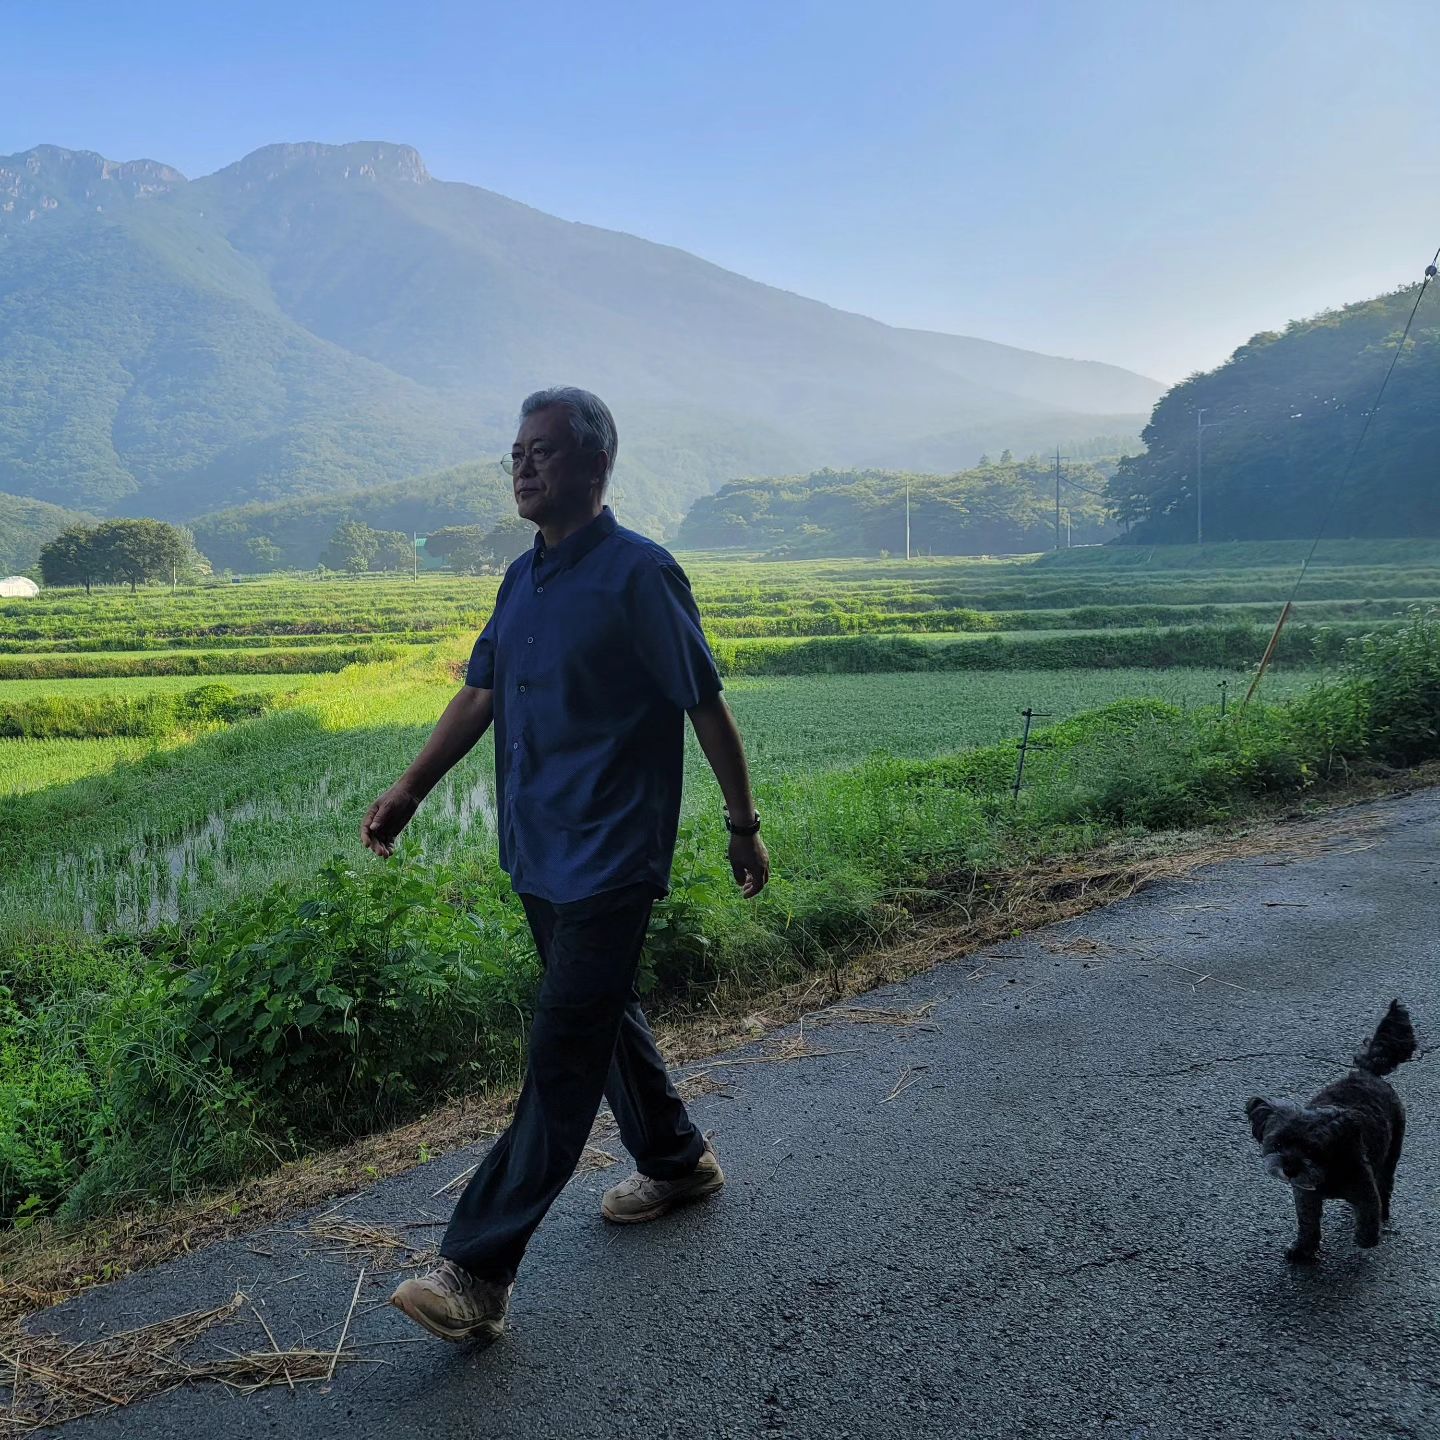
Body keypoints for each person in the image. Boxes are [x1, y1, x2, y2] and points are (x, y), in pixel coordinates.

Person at [361, 386, 769, 1343]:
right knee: (599, 1013)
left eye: (542, 451)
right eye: (514, 452)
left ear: (596, 465)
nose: (523, 466)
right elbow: (481, 693)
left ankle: (475, 1271)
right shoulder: (520, 578)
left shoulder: (641, 575)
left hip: (615, 853)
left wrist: (741, 824)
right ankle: (676, 1161)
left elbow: (704, 703)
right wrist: (411, 787)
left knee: (559, 1055)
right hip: (539, 850)